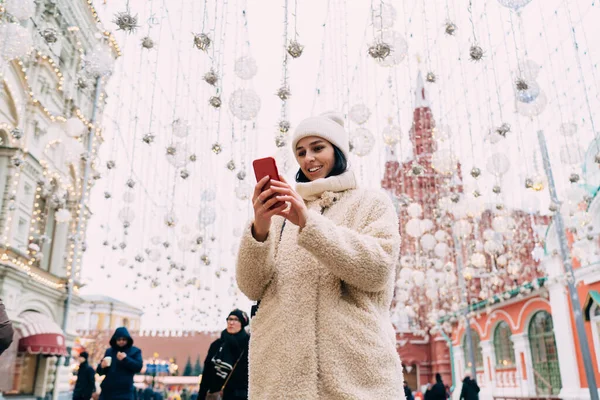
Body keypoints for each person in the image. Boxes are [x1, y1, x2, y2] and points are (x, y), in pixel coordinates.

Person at [236, 111, 403, 399]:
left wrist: (309, 224)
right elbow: (251, 286)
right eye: (301, 152)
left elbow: (377, 270)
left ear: (337, 151)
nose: (308, 158)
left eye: (317, 148)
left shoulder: (370, 202)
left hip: (356, 376)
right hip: (281, 378)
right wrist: (260, 228)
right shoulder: (280, 214)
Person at [198, 309, 249, 400]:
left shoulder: (248, 346)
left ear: (242, 323)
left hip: (239, 396)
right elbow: (207, 374)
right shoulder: (216, 345)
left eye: (235, 320)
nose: (231, 323)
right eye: (229, 319)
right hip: (216, 395)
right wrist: (201, 396)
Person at [96, 327, 143, 400]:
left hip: (125, 392)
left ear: (128, 339)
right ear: (115, 340)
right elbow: (100, 372)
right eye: (119, 339)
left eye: (124, 339)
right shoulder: (109, 351)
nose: (121, 341)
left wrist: (125, 359)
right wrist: (102, 366)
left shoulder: (135, 351)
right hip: (108, 392)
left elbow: (138, 367)